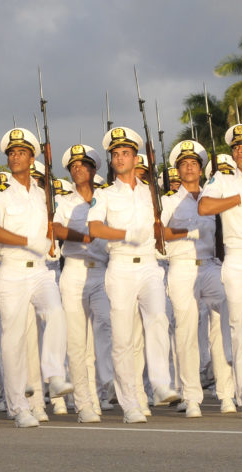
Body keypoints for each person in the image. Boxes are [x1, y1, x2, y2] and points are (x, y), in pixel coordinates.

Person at [87, 126, 179, 423]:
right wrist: (125, 233)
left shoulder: (151, 193)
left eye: (125, 153)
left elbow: (160, 228)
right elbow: (94, 228)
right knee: (123, 339)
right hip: (121, 265)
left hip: (150, 264)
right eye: (115, 154)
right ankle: (129, 403)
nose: (120, 158)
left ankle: (161, 382)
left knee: (158, 319)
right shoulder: (104, 195)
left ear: (136, 158)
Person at [0, 128, 73, 428]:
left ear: (32, 158)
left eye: (20, 152)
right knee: (13, 340)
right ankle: (19, 406)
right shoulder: (0, 195)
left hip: (40, 270)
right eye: (11, 153)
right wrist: (25, 241)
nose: (15, 156)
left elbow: (53, 227)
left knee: (56, 313)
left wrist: (50, 241)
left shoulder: (43, 194)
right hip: (11, 271)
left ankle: (54, 374)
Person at [161, 140, 234, 418]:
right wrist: (186, 232)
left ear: (202, 169)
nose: (189, 167)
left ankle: (227, 393)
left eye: (194, 163)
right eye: (183, 164)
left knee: (229, 314)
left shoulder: (211, 198)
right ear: (177, 170)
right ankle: (191, 397)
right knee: (187, 332)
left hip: (211, 266)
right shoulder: (168, 201)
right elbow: (162, 234)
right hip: (181, 267)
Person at [198, 123, 242, 418]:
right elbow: (205, 207)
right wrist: (238, 199)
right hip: (236, 259)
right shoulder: (223, 180)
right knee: (240, 329)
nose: (239, 151)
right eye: (236, 147)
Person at [53, 144, 110, 423]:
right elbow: (57, 229)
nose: (77, 170)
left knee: (106, 332)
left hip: (102, 272)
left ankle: (105, 388)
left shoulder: (108, 198)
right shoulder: (65, 201)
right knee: (77, 343)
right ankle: (84, 403)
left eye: (82, 166)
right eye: (73, 167)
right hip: (74, 271)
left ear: (94, 170)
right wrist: (84, 237)